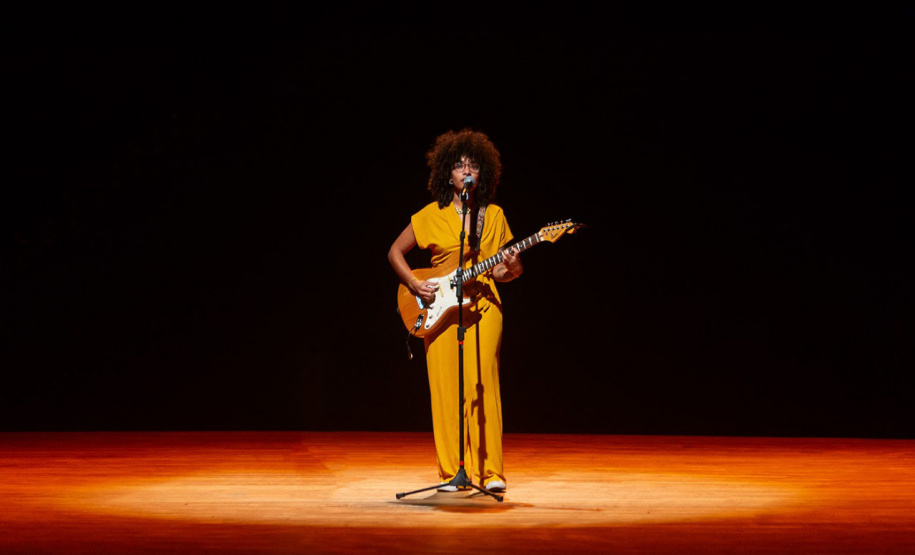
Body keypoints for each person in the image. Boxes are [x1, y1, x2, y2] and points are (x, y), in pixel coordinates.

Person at [388, 129, 522, 493]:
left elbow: (500, 271)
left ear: (484, 174)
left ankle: (491, 472)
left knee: (483, 386)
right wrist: (415, 285)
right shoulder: (431, 214)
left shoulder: (494, 216)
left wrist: (512, 268)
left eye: (474, 165)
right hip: (440, 308)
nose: (467, 171)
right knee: (445, 388)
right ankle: (452, 473)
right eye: (460, 165)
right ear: (448, 173)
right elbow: (394, 253)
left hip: (484, 307)